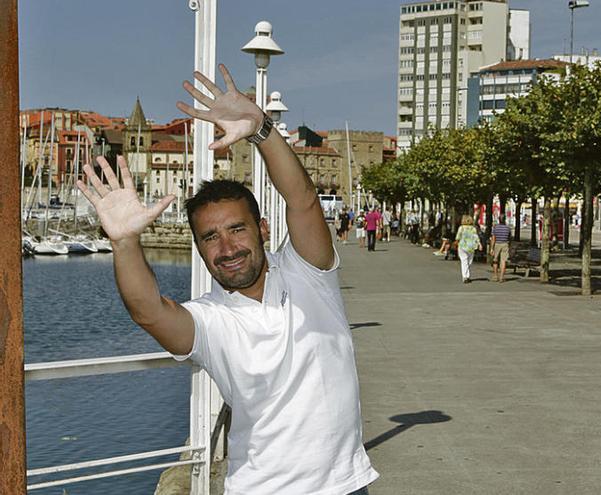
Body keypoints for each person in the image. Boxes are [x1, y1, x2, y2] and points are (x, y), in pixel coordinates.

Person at [75, 64, 377, 495]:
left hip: (347, 487)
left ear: (264, 229)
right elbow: (148, 311)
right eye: (210, 237)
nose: (227, 247)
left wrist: (261, 129)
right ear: (199, 247)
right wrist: (124, 241)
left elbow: (304, 199)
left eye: (237, 229)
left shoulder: (309, 275)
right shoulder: (211, 320)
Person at [455, 215, 482, 283]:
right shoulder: (472, 228)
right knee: (467, 261)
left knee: (466, 262)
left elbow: (458, 237)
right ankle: (466, 276)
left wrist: (457, 242)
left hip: (463, 246)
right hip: (470, 247)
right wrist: (479, 244)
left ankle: (466, 276)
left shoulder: (462, 228)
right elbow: (476, 237)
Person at [490, 216, 511, 283]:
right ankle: (501, 277)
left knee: (495, 260)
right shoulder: (508, 228)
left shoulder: (495, 228)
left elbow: (493, 238)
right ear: (505, 220)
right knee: (503, 261)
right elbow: (509, 237)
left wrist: (491, 248)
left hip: (497, 244)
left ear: (499, 220)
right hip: (505, 244)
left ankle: (495, 276)